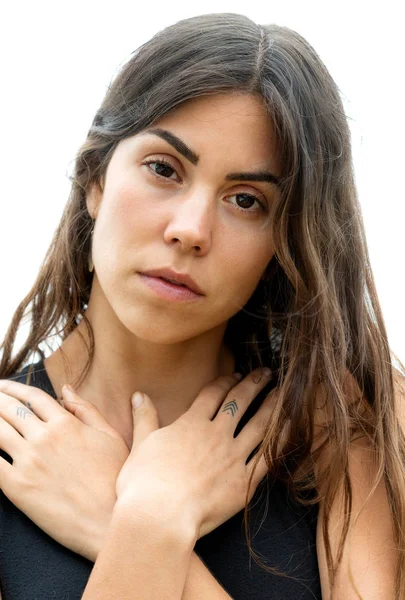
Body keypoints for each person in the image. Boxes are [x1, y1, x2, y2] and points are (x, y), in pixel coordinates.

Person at [0, 11, 404, 600]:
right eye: (164, 169)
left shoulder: (345, 426)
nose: (190, 230)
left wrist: (143, 521)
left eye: (246, 200)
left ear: (285, 241)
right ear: (95, 179)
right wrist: (151, 523)